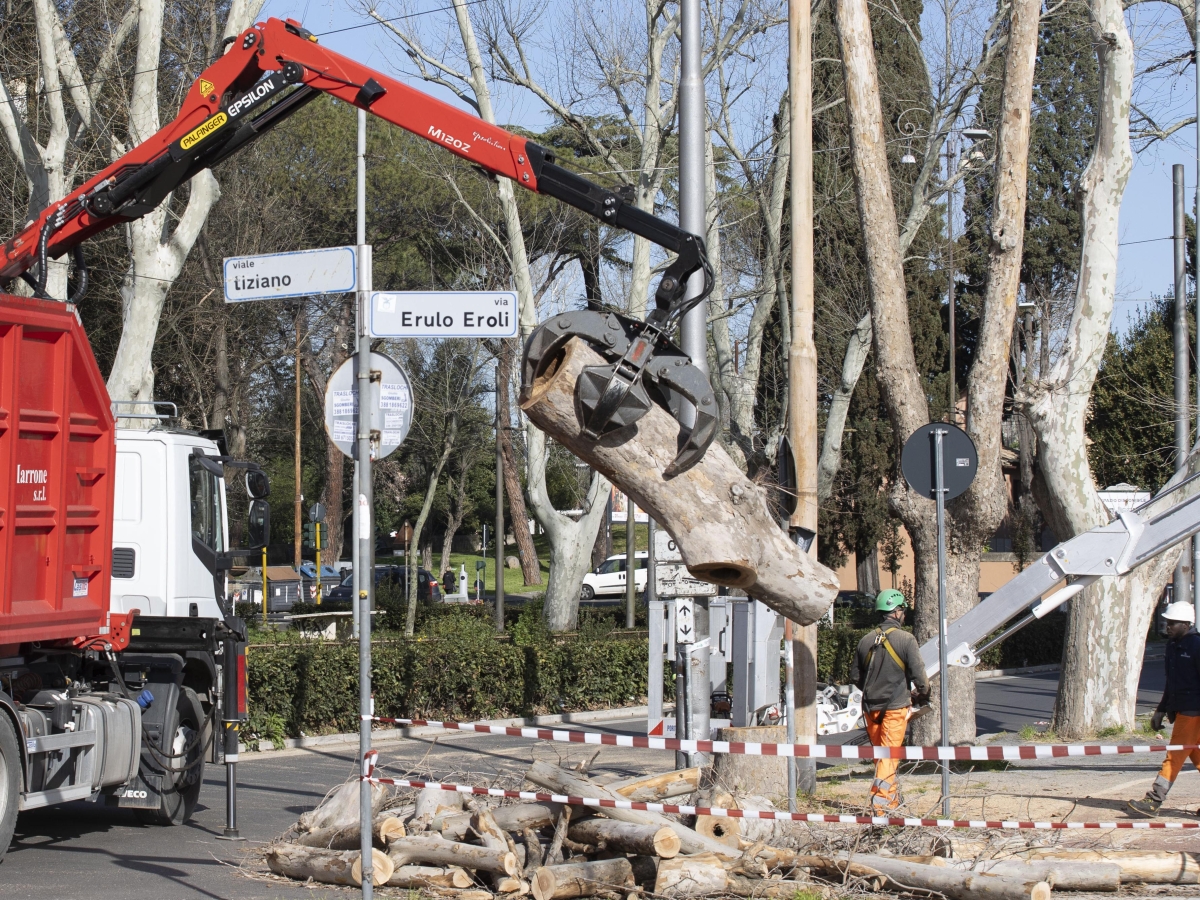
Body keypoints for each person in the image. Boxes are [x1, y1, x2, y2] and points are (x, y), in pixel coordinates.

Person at [850, 589, 930, 811]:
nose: (904, 615)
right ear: (896, 612)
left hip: (870, 709)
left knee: (882, 758)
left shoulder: (866, 640)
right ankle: (882, 808)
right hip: (895, 708)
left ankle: (891, 801)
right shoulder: (906, 639)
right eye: (903, 610)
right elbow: (920, 678)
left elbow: (856, 677)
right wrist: (922, 695)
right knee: (889, 757)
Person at [1128, 601, 1200, 817]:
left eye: (1173, 623)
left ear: (1186, 625)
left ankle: (1154, 800)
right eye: (1167, 622)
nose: (1167, 626)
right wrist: (1161, 709)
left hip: (1193, 711)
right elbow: (1171, 683)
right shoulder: (1172, 646)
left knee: (1175, 755)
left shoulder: (1197, 646)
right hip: (1182, 709)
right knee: (1196, 755)